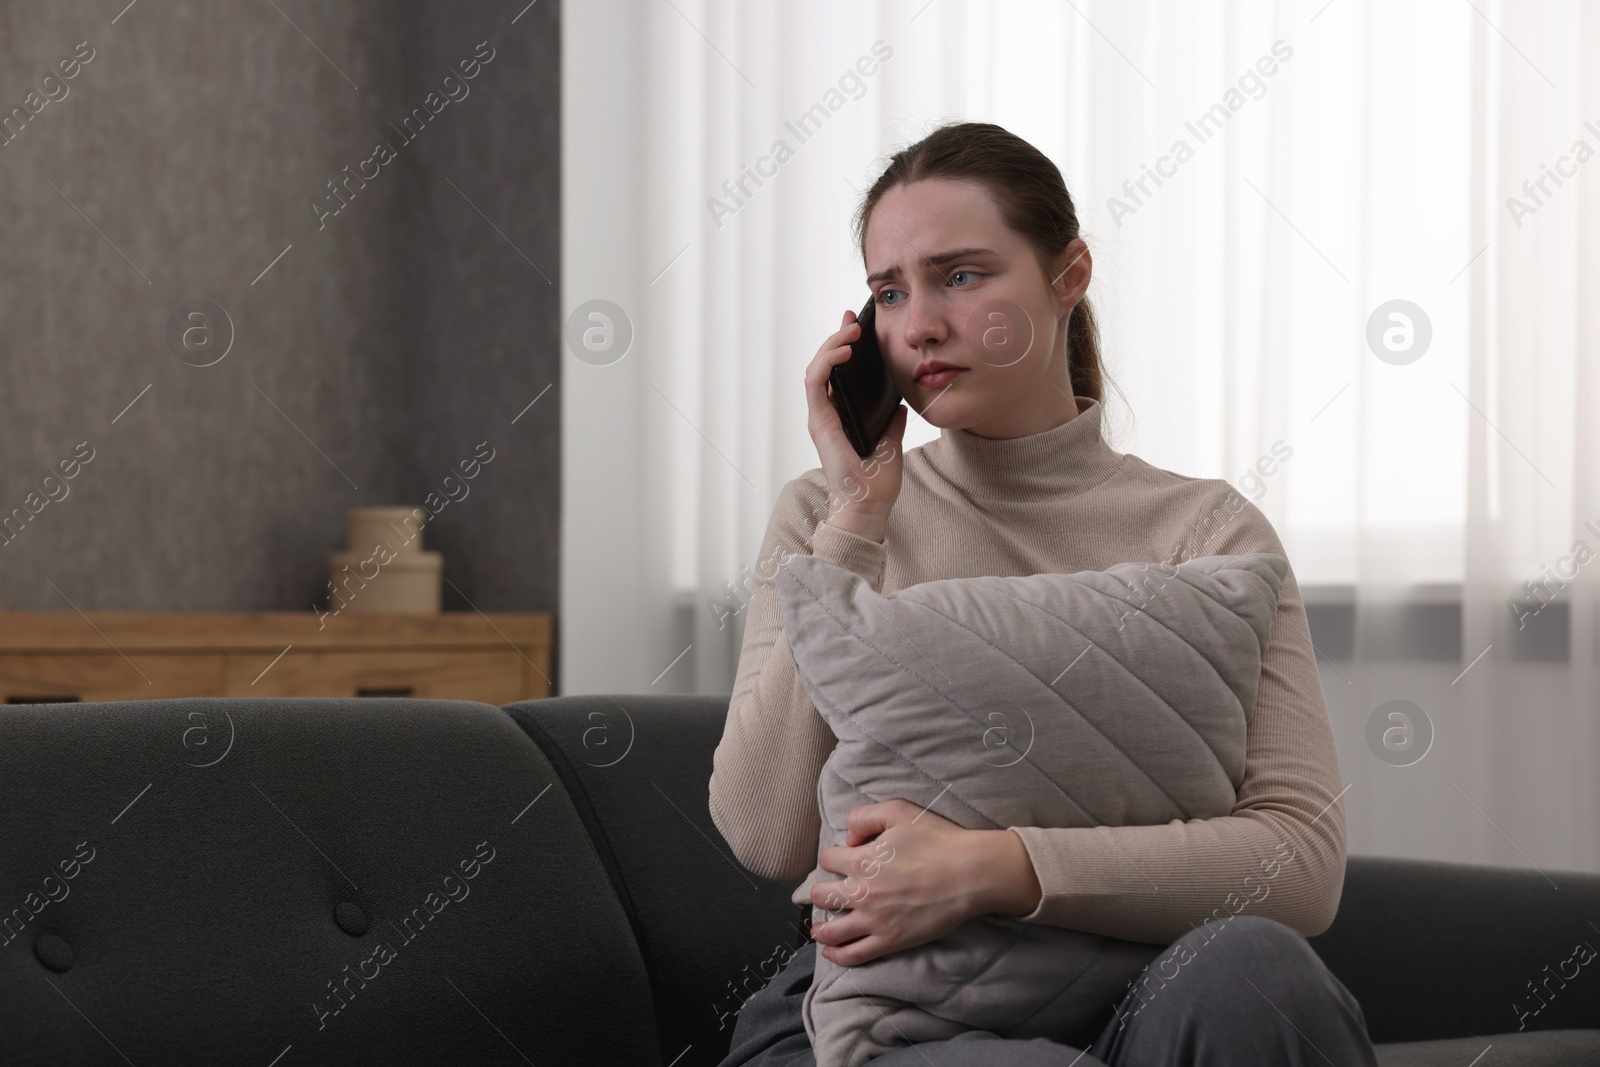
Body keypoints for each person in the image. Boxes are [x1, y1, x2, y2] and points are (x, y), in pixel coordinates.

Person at [707, 120, 1378, 1066]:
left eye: (963, 276)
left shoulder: (1207, 534)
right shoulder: (827, 514)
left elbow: (1297, 865)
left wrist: (994, 867)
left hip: (1139, 988)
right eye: (890, 292)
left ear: (1069, 276)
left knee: (1258, 971)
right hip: (878, 1013)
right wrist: (857, 521)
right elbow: (763, 833)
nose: (921, 324)